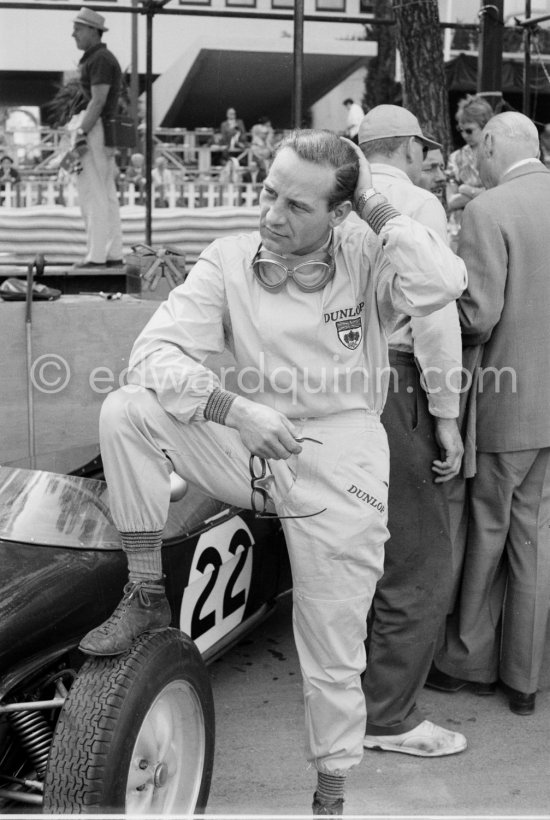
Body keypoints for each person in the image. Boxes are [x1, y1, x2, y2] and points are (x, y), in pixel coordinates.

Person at [78, 129, 466, 814]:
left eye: (296, 205)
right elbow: (151, 354)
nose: (272, 214)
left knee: (332, 647)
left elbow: (443, 282)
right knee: (127, 409)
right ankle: (146, 592)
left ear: (341, 212)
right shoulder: (229, 258)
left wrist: (374, 203)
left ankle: (330, 796)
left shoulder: (370, 251)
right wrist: (232, 408)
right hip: (252, 433)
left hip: (340, 456)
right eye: (269, 193)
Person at [428, 112, 550, 718]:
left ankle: (468, 661)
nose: (471, 155)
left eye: (478, 145)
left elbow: (478, 315)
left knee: (488, 532)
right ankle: (524, 678)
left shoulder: (489, 210)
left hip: (508, 401)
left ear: (496, 144)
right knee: (534, 535)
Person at [356, 105, 466, 758]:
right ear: (407, 146)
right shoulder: (415, 208)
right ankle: (388, 714)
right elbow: (435, 318)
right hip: (395, 387)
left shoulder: (328, 200)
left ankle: (351, 693)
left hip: (323, 386)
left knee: (349, 549)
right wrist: (446, 416)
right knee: (420, 558)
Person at [70, 6, 124, 268]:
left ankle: (96, 255)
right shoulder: (102, 57)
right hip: (105, 130)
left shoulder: (99, 59)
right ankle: (113, 253)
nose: (74, 34)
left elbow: (98, 100)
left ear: (94, 31)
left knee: (94, 193)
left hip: (96, 128)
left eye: (78, 28)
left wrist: (80, 131)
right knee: (106, 192)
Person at [446, 95, 493, 216]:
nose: (464, 135)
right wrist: (481, 193)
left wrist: (465, 189)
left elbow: (501, 195)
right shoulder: (455, 157)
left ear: (484, 125)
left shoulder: (497, 153)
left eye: (469, 130)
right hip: (460, 225)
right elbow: (451, 201)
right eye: (460, 130)